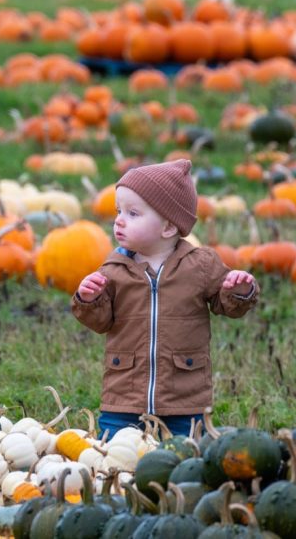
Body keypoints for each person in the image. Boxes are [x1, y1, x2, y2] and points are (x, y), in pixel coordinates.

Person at [71, 159, 260, 439]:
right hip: (124, 396)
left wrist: (239, 291)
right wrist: (89, 300)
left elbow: (227, 306)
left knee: (185, 457)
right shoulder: (113, 270)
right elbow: (101, 322)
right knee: (116, 455)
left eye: (133, 213)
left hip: (183, 399)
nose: (119, 220)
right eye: (118, 211)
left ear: (169, 227)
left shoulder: (200, 265)